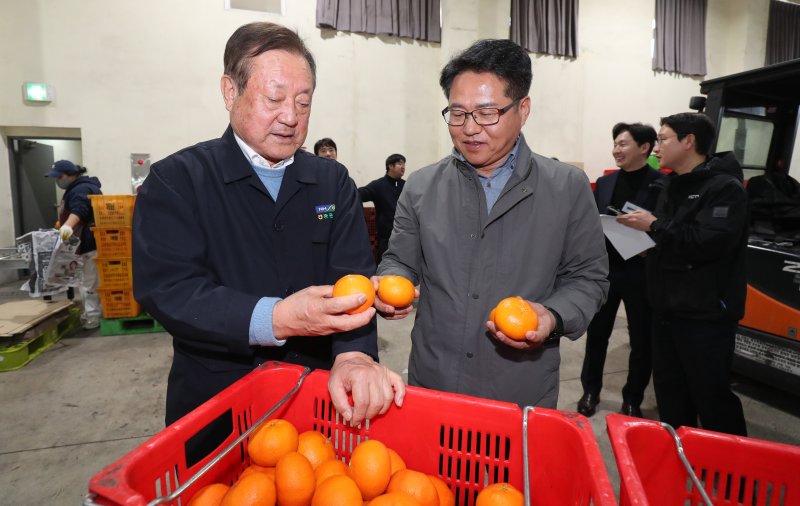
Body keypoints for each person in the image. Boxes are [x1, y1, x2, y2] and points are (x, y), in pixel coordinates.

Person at [132, 22, 404, 427]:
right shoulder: (179, 181)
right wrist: (278, 318)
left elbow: (353, 279)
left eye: (304, 102)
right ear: (230, 91)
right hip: (218, 403)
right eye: (274, 98)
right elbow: (171, 291)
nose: (290, 117)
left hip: (318, 399)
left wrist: (354, 354)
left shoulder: (332, 181)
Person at [373, 39, 609, 408]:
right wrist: (392, 284)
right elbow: (399, 260)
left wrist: (554, 316)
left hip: (518, 388)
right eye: (457, 113)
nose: (469, 129)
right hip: (434, 381)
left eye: (486, 113)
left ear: (523, 108)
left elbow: (588, 278)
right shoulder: (421, 186)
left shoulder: (566, 188)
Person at [617, 112, 748, 436]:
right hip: (665, 311)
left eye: (663, 140)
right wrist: (646, 243)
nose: (656, 148)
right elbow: (672, 240)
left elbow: (708, 242)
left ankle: (731, 474)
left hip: (704, 317)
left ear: (688, 142)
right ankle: (682, 463)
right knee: (671, 395)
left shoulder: (725, 189)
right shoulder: (671, 186)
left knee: (712, 398)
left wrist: (655, 226)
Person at [577, 123, 664, 418]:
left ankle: (632, 398)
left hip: (641, 271)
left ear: (645, 148)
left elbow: (664, 229)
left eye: (624, 144)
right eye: (615, 143)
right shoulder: (605, 183)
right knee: (597, 334)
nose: (616, 149)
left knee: (641, 340)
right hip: (606, 270)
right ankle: (590, 391)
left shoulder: (662, 185)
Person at [45, 160, 102, 329]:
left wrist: (67, 226)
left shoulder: (81, 189)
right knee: (87, 280)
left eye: (60, 177)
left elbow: (80, 209)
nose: (58, 181)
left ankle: (93, 318)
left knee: (89, 282)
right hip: (86, 243)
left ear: (71, 175)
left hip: (89, 244)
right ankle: (91, 314)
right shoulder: (80, 187)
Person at [359, 154, 406, 263]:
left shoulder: (406, 186)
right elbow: (359, 195)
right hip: (386, 239)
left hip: (405, 238)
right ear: (390, 166)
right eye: (400, 163)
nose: (403, 166)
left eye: (404, 164)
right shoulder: (378, 185)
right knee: (384, 271)